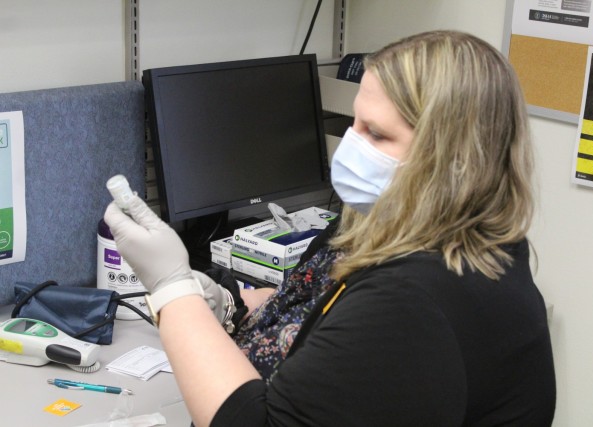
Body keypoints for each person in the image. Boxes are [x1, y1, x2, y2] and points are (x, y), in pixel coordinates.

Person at [104, 30, 556, 427]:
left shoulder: (417, 300)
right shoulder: (398, 227)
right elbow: (311, 305)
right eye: (353, 123)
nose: (351, 147)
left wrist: (171, 289)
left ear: (455, 161)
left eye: (376, 134)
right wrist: (225, 304)